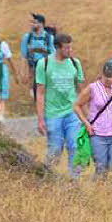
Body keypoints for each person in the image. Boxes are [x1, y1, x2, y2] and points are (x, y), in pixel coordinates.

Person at [35, 33, 85, 175]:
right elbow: (40, 93)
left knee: (74, 146)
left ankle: (73, 183)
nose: (70, 51)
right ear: (57, 48)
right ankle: (46, 176)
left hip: (72, 113)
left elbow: (83, 92)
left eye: (71, 47)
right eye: (66, 48)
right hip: (53, 114)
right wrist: (40, 119)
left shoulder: (75, 63)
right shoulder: (43, 64)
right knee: (55, 150)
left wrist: (87, 117)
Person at [74, 60, 112, 183]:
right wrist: (86, 123)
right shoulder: (93, 88)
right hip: (98, 134)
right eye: (107, 77)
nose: (110, 80)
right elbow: (77, 105)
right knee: (101, 168)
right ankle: (101, 194)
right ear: (102, 75)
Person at [20, 13, 54, 101]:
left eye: (35, 22)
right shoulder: (27, 37)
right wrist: (22, 72)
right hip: (32, 68)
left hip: (46, 68)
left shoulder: (49, 37)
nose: (32, 25)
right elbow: (24, 55)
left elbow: (53, 55)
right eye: (32, 22)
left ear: (41, 24)